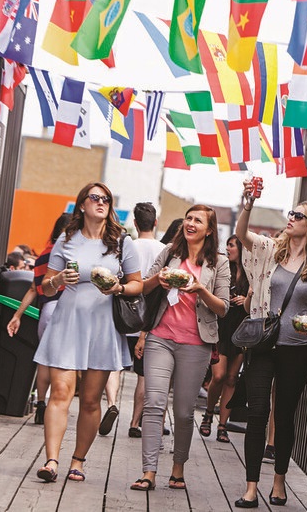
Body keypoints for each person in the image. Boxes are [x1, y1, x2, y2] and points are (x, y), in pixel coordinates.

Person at [233, 183, 307, 509]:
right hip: (264, 345)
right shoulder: (270, 251)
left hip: (297, 349)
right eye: (291, 214)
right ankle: (251, 487)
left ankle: (279, 482)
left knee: (284, 415)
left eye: (298, 215)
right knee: (257, 414)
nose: (290, 218)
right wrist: (249, 204)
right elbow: (242, 234)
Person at [33, 183, 143, 483]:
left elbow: (138, 284)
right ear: (81, 205)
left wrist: (118, 287)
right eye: (95, 197)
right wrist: (56, 280)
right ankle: (52, 461)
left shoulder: (122, 241)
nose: (101, 202)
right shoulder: (66, 239)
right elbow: (44, 285)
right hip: (68, 322)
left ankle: (78, 461)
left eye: (106, 198)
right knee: (60, 393)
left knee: (92, 400)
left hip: (103, 327)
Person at [130, 205, 230, 492]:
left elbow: (222, 308)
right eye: (188, 218)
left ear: (209, 230)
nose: (190, 223)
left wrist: (200, 289)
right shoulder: (169, 254)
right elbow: (144, 288)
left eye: (197, 220)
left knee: (185, 412)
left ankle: (178, 468)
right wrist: (156, 280)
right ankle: (148, 472)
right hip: (161, 337)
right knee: (153, 403)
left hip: (196, 344)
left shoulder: (218, 263)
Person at [7, 212, 72, 424]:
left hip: (47, 311)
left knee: (43, 360)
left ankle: (41, 404)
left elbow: (34, 289)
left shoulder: (45, 253)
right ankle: (56, 405)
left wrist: (17, 315)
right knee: (62, 363)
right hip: (65, 310)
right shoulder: (71, 254)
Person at [199, 236, 249, 443]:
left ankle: (222, 425)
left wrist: (247, 300)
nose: (228, 249)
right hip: (221, 326)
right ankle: (209, 413)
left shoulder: (250, 273)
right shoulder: (221, 267)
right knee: (218, 376)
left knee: (231, 378)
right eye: (227, 245)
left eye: (232, 245)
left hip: (241, 328)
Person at [123, 201, 166, 438]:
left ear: (135, 223)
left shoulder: (129, 246)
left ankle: (111, 402)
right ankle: (135, 422)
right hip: (147, 319)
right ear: (156, 222)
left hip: (124, 314)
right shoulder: (163, 250)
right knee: (143, 374)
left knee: (114, 368)